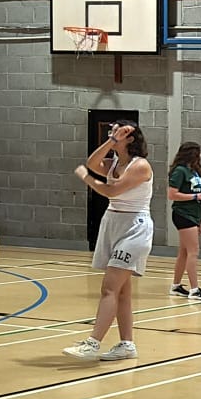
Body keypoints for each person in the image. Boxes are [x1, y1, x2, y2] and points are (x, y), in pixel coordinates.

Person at [66, 121, 153, 361]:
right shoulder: (114, 162)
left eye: (118, 131)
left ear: (131, 138)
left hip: (134, 227)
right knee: (122, 292)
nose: (112, 134)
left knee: (109, 288)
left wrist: (87, 179)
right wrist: (112, 141)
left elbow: (111, 191)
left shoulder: (140, 166)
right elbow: (92, 162)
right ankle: (127, 344)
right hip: (113, 222)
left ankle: (93, 343)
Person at [165, 142, 201, 301]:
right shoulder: (180, 171)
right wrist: (195, 196)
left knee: (184, 252)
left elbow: (200, 198)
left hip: (194, 215)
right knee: (194, 251)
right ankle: (194, 290)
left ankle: (176, 286)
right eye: (199, 152)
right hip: (183, 214)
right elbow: (172, 195)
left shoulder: (194, 171)